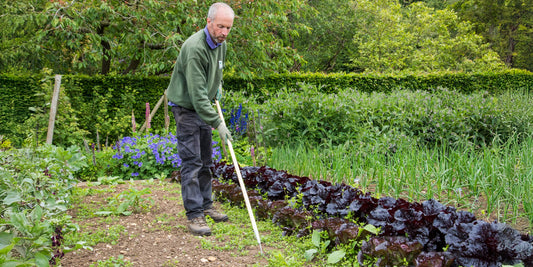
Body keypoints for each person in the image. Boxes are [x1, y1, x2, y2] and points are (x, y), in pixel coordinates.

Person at [166, 2, 234, 236]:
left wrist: (217, 87)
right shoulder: (195, 48)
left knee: (206, 161)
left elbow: (215, 72)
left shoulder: (221, 44)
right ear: (208, 22)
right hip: (186, 109)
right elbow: (196, 96)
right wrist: (218, 123)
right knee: (192, 162)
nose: (224, 32)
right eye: (220, 26)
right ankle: (194, 214)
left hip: (203, 106)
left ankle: (206, 205)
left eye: (228, 28)